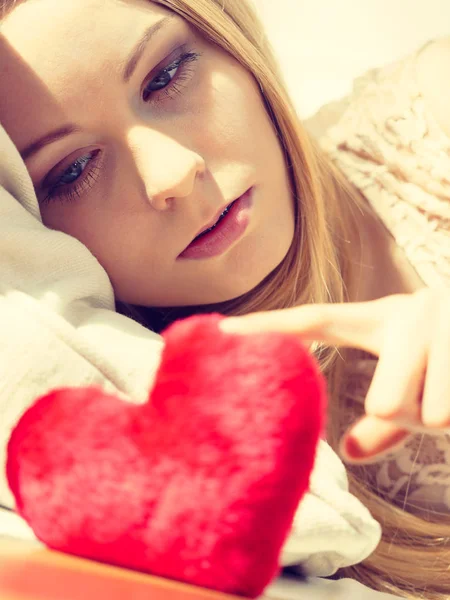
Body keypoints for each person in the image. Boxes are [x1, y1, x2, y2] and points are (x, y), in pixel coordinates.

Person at [0, 0, 449, 598]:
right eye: (75, 169)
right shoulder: (169, 462)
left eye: (166, 76)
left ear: (234, 42)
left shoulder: (433, 107)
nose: (172, 174)